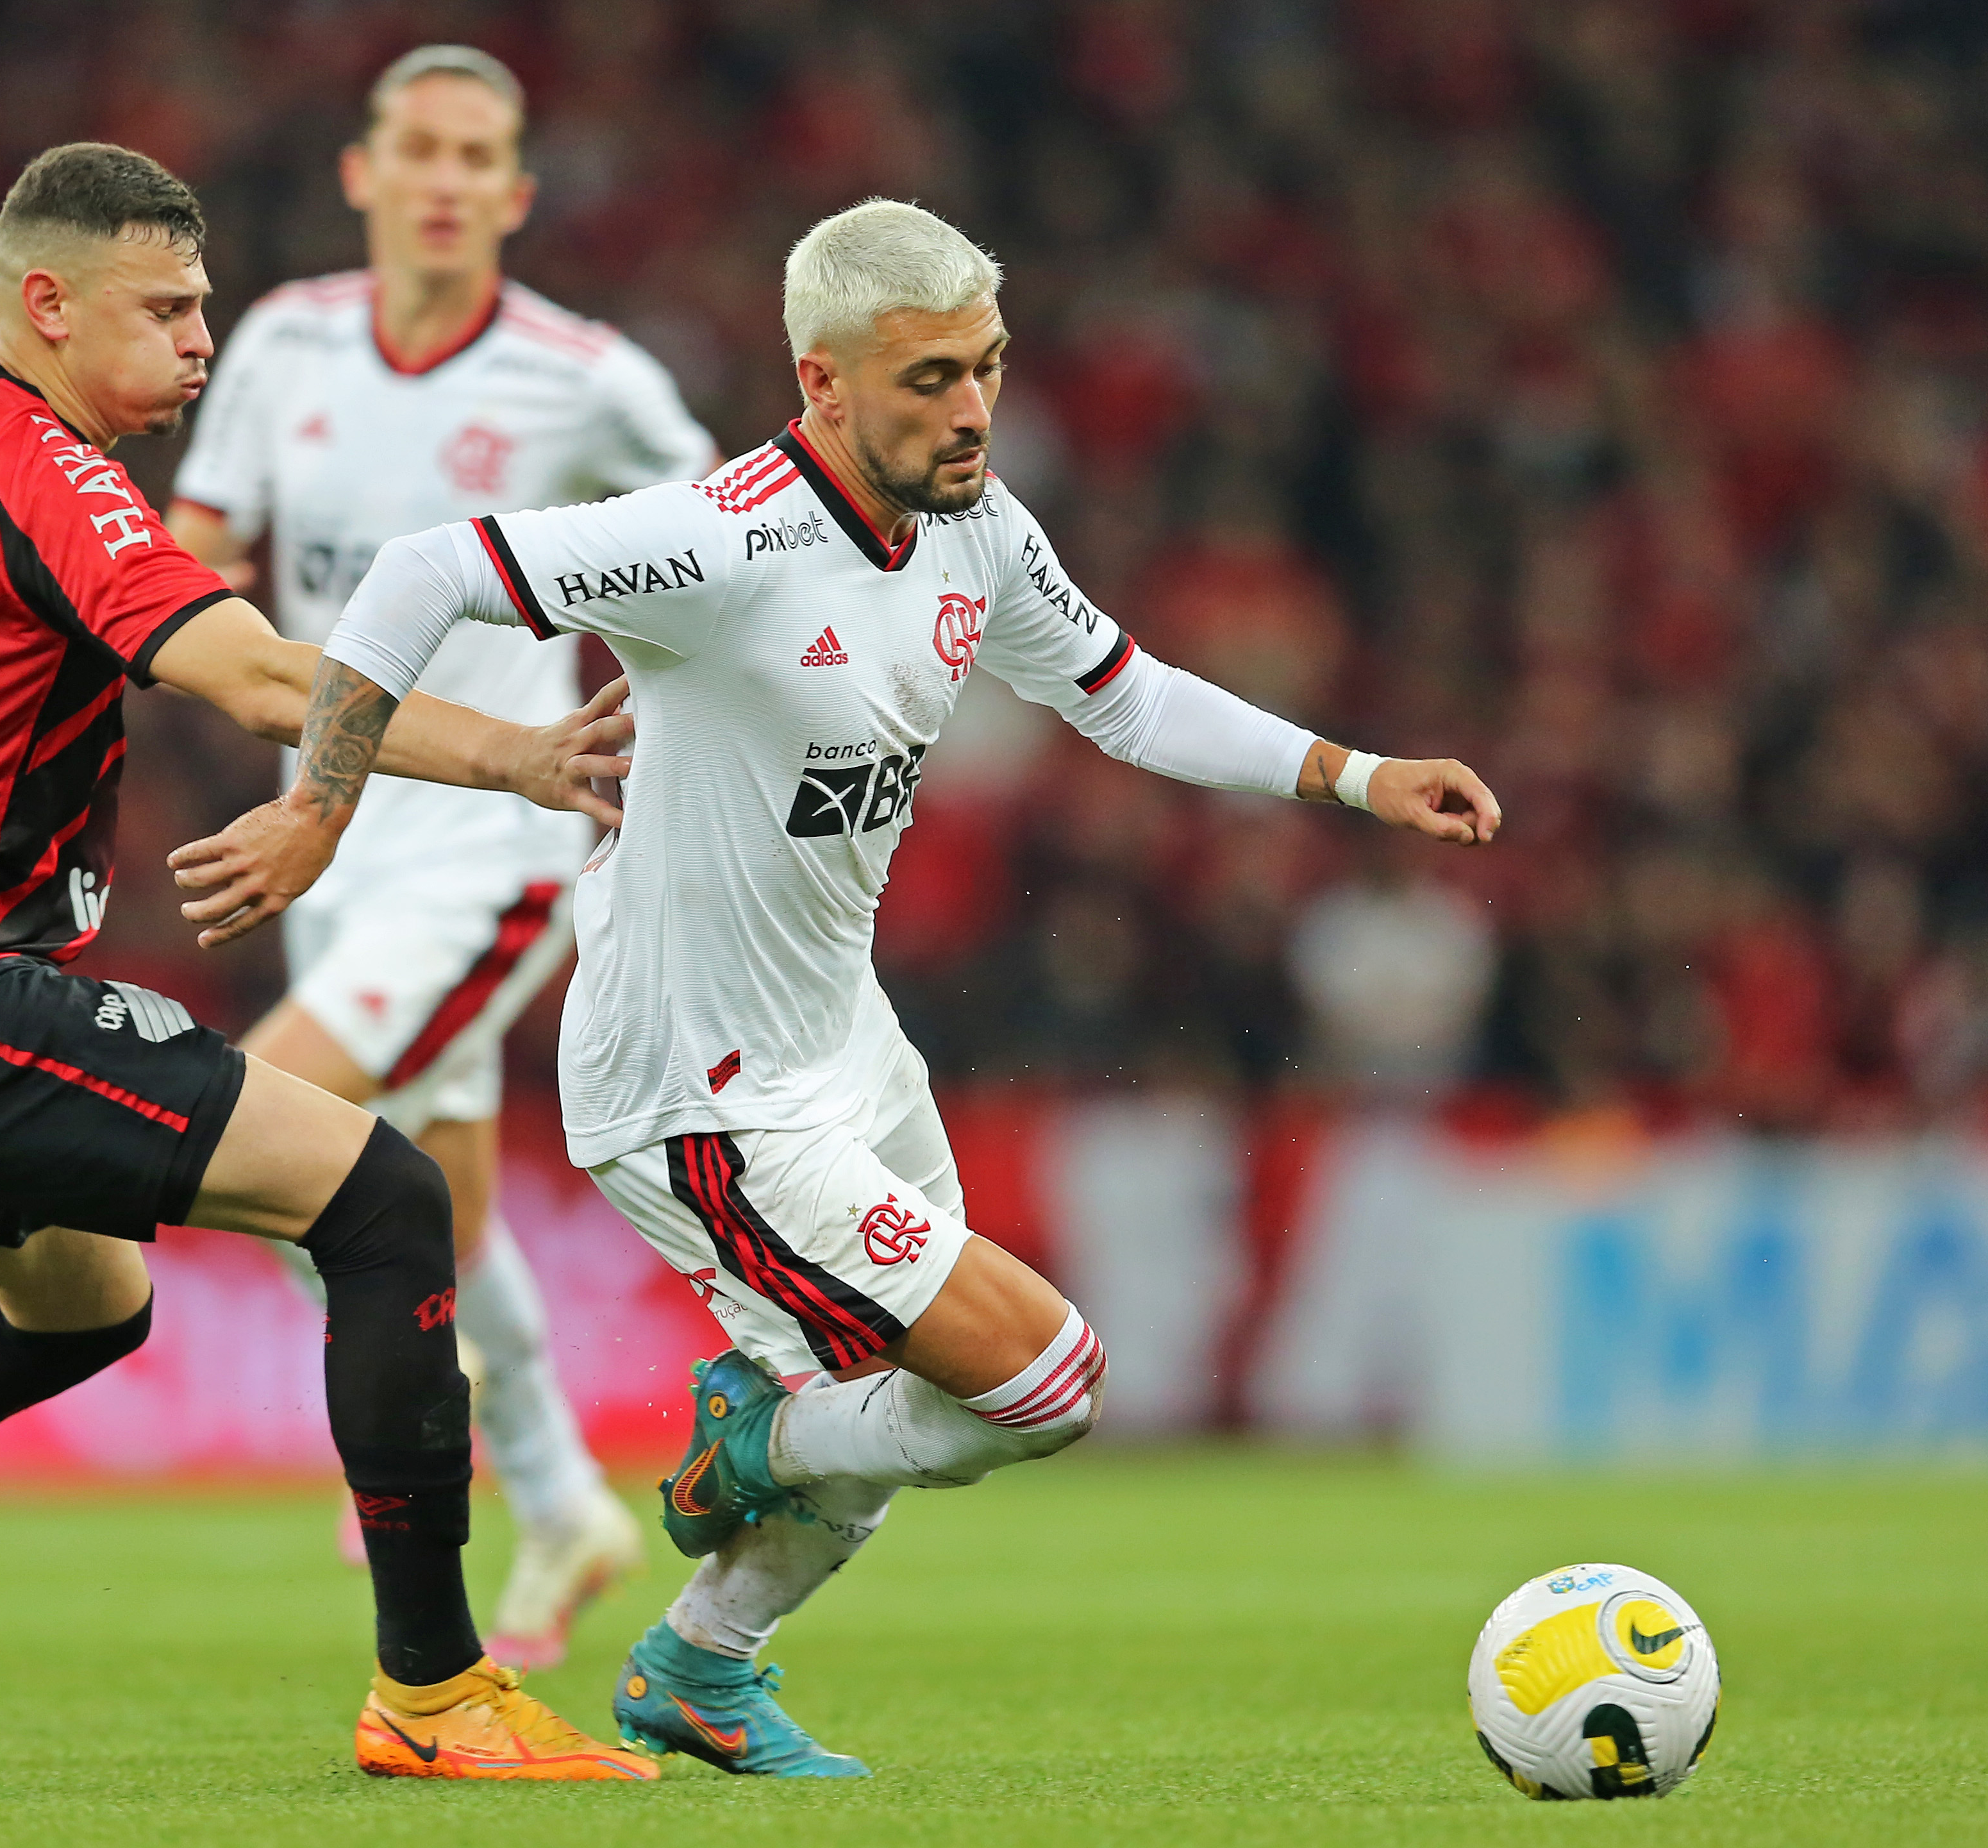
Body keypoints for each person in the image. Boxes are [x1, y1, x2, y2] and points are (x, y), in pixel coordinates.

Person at [171, 198, 1503, 1777]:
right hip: (699, 1097)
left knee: (905, 1393)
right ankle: (759, 1434)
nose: (971, 409)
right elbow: (418, 571)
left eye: (987, 368)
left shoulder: (978, 529)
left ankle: (699, 1665)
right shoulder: (723, 541)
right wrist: (318, 809)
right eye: (928, 378)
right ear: (819, 385)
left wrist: (1355, 775)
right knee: (1043, 1385)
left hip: (844, 1045)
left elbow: (1124, 697)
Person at [0, 140, 658, 1783]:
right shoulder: (49, 474)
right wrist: (520, 758)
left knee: (80, 1307)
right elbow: (272, 681)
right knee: (380, 1200)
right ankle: (435, 1695)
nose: (200, 341)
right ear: (50, 303)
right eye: (164, 309)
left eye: (209, 306)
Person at [165, 45, 715, 1668]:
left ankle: (430, 1416)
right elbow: (198, 544)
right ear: (361, 171)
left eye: (479, 155)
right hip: (319, 838)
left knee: (258, 1130)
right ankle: (561, 1501)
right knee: (437, 1208)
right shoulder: (278, 341)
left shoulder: (583, 378)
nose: (446, 178)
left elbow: (725, 541)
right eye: (418, 147)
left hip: (493, 844)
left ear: (517, 194)